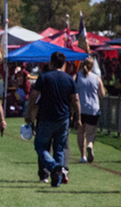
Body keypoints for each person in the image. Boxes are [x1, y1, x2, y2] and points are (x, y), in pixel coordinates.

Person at [25, 51, 80, 187]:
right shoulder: (69, 79)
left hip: (46, 117)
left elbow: (33, 95)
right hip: (63, 118)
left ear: (51, 62)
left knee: (40, 146)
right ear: (63, 64)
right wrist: (77, 117)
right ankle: (57, 178)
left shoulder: (44, 78)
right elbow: (75, 100)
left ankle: (53, 166)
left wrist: (29, 112)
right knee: (59, 149)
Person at [75, 58, 106, 163]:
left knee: (80, 133)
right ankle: (90, 145)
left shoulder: (77, 77)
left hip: (80, 108)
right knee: (90, 133)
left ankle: (82, 156)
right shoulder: (96, 78)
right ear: (92, 66)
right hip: (93, 109)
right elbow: (102, 94)